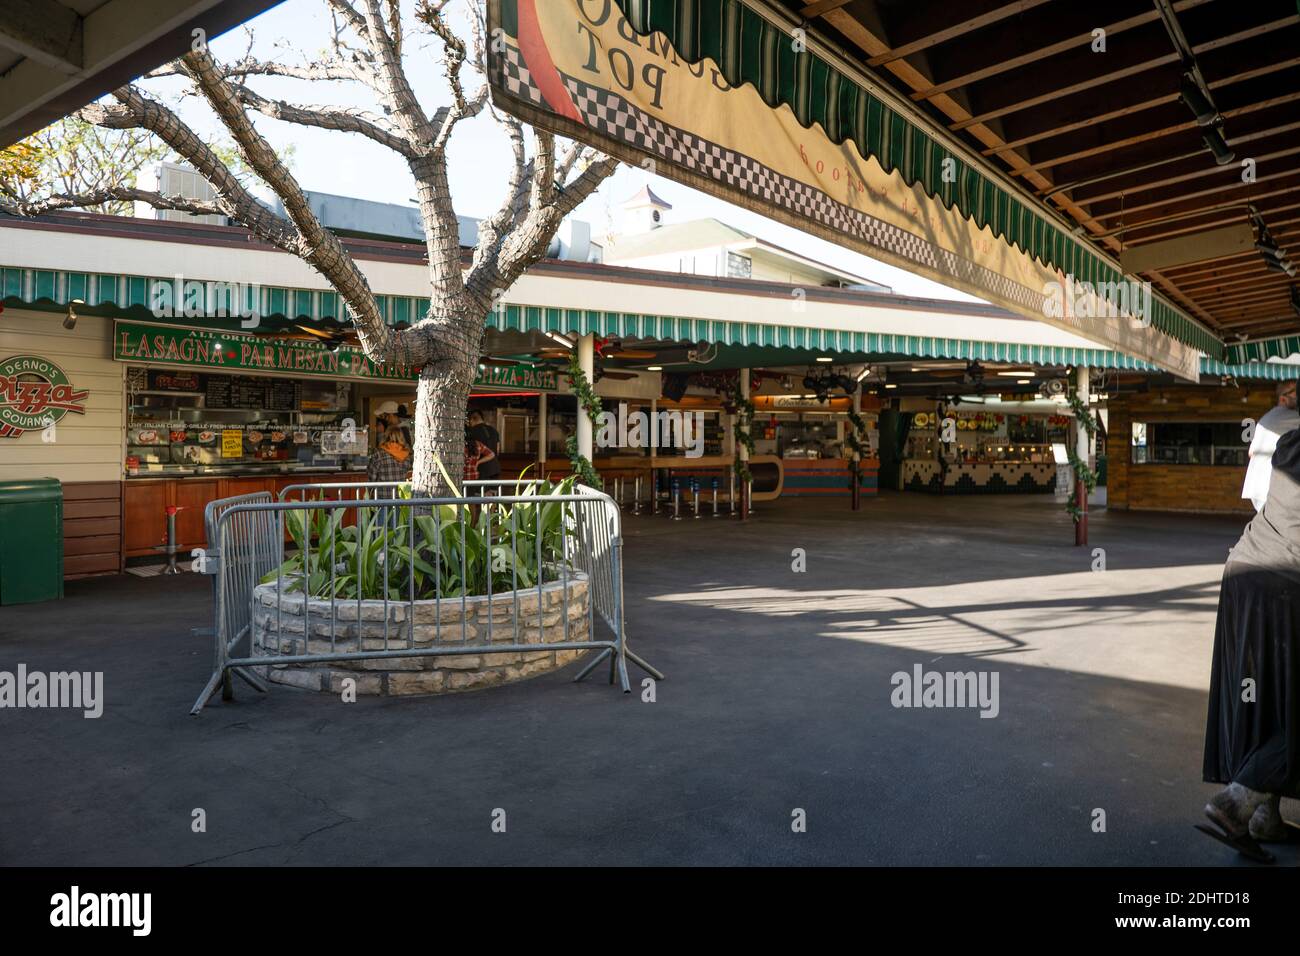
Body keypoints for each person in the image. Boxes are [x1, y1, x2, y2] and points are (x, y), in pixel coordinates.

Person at [1202, 418, 1300, 855]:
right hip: (1286, 581)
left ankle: (1266, 816)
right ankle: (1238, 801)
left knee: (1265, 695)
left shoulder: (1290, 441)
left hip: (1246, 568)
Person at [1242, 380, 1299, 511]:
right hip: (1271, 488)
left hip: (1258, 487)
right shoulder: (1288, 416)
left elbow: (1251, 452)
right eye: (1295, 392)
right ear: (1283, 398)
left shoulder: (1268, 417)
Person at [466, 408, 501, 482]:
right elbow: (498, 450)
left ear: (472, 419)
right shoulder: (494, 430)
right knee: (494, 493)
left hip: (481, 470)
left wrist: (477, 462)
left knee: (480, 493)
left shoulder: (471, 432)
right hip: (495, 469)